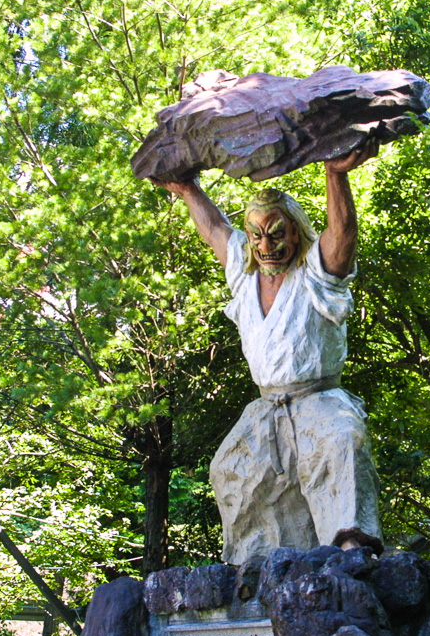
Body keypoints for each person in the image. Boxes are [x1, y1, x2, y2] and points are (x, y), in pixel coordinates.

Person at [153, 143, 383, 565]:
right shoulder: (244, 275)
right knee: (231, 468)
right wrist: (188, 191)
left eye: (277, 233)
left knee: (343, 443)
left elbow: (342, 236)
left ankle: (351, 550)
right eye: (257, 234)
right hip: (267, 408)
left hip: (320, 400)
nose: (266, 244)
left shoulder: (317, 274)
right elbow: (215, 229)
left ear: (295, 231)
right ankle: (256, 564)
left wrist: (336, 174)